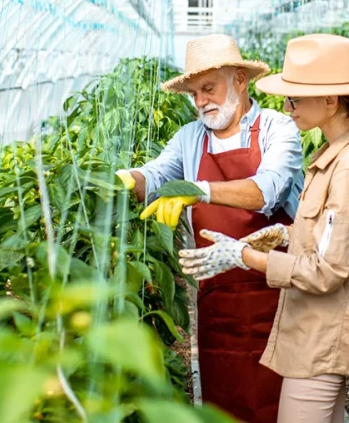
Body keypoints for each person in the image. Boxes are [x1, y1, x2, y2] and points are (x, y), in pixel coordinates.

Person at [116, 34, 304, 423]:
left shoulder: (275, 127)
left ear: (240, 79)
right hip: (218, 302)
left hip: (278, 294)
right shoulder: (190, 139)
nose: (201, 101)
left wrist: (197, 190)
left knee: (281, 404)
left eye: (208, 88)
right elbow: (154, 176)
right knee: (224, 402)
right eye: (194, 93)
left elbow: (266, 190)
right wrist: (119, 180)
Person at [179, 33, 349, 423]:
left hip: (319, 334)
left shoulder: (342, 165)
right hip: (304, 323)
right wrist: (286, 236)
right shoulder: (326, 156)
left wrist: (243, 254)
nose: (287, 106)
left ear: (331, 99)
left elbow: (327, 270)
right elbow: (331, 238)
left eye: (296, 97)